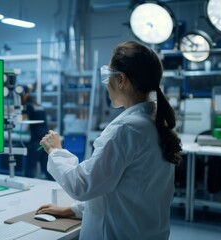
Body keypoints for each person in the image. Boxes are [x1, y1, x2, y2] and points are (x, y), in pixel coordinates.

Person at [37, 41, 182, 239]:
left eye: (108, 77)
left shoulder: (126, 128)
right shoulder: (154, 122)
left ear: (121, 79)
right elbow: (116, 186)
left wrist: (55, 151)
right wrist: (73, 210)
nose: (107, 85)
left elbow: (83, 185)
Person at [20, 85, 53, 180]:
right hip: (45, 141)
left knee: (28, 169)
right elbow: (39, 119)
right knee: (47, 170)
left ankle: (27, 190)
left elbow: (21, 118)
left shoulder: (28, 106)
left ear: (26, 95)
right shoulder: (36, 104)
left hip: (37, 142)